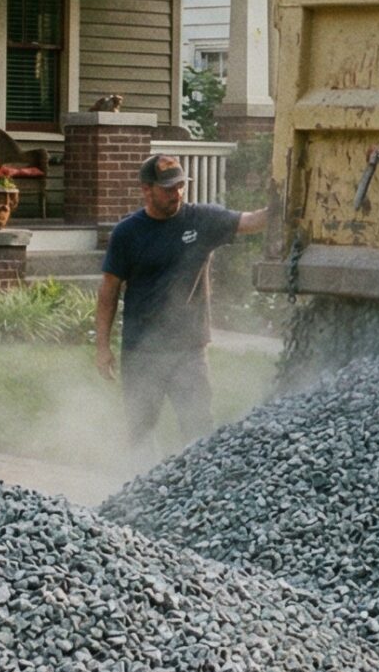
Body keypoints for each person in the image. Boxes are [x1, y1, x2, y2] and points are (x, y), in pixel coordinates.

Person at [94, 153, 270, 453]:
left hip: (189, 348)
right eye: (168, 188)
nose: (176, 193)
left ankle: (200, 493)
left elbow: (252, 222)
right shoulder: (127, 234)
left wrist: (283, 200)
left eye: (180, 186)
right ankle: (142, 488)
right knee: (141, 429)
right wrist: (102, 347)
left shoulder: (201, 220)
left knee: (199, 426)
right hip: (141, 350)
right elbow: (108, 293)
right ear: (146, 190)